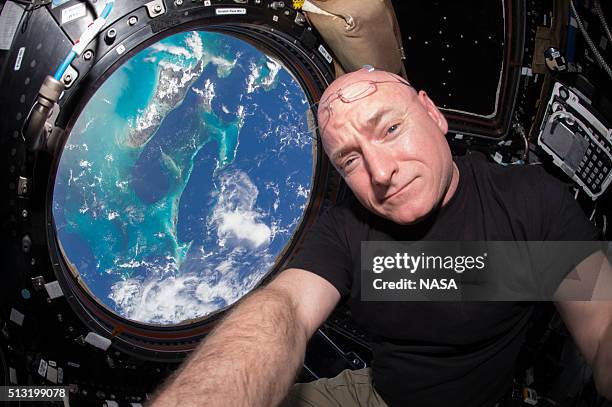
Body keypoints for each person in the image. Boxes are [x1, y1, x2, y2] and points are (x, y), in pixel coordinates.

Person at [149, 68, 612, 407]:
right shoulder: (345, 230)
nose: (382, 171)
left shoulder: (530, 202)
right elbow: (284, 310)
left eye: (390, 129)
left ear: (433, 114)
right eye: (351, 160)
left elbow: (602, 327)